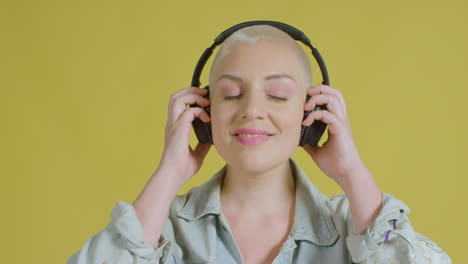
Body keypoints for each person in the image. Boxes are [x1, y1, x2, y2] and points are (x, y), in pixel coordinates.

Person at [67, 24, 451, 264]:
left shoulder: (355, 229)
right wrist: (169, 174)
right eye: (231, 93)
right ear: (204, 110)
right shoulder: (159, 231)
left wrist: (353, 174)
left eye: (279, 95)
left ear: (311, 111)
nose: (252, 110)